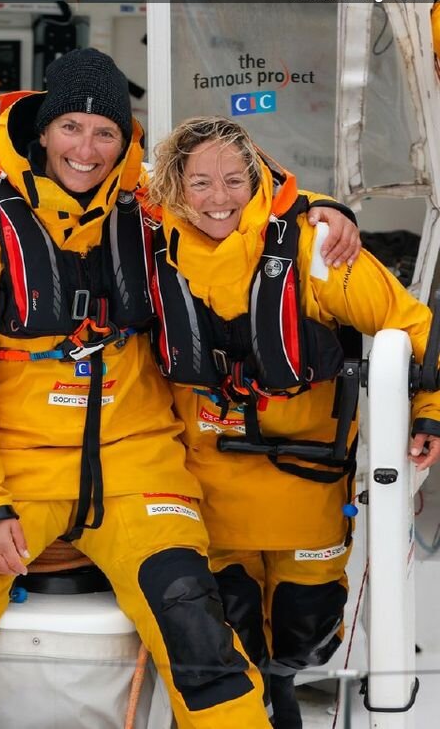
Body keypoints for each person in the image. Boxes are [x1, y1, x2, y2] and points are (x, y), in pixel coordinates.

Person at [0, 49, 359, 729]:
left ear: (125, 140)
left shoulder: (153, 205)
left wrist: (325, 208)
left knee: (194, 623)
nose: (85, 150)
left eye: (105, 132)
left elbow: (244, 197)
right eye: (71, 127)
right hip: (10, 473)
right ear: (43, 131)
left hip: (137, 472)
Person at [143, 115, 440, 728]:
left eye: (234, 180)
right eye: (199, 182)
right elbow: (91, 174)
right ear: (173, 184)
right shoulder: (150, 242)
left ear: (258, 182)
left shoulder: (316, 247)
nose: (218, 198)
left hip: (308, 483)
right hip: (202, 486)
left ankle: (282, 690)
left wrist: (430, 413)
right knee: (226, 625)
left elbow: (414, 328)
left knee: (307, 626)